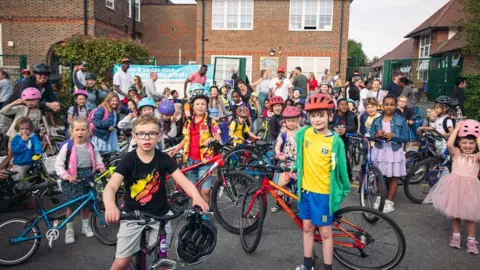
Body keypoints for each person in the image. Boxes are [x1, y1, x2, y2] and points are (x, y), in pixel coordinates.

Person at [103, 116, 209, 270]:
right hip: (133, 216)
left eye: (152, 133)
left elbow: (183, 181)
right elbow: (111, 186)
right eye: (141, 134)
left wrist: (197, 197)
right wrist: (110, 205)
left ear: (159, 135)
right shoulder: (128, 160)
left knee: (163, 263)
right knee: (121, 263)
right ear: (134, 137)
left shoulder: (163, 158)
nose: (147, 138)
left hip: (160, 216)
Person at [293, 94, 350, 270]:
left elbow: (342, 169)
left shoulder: (335, 141)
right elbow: (300, 156)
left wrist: (343, 189)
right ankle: (307, 264)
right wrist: (294, 168)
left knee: (325, 233)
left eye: (321, 115)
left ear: (330, 116)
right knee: (307, 228)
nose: (317, 119)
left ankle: (327, 267)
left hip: (324, 193)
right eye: (314, 115)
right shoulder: (304, 133)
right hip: (305, 191)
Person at [423, 119, 480, 254]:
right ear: (459, 143)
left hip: (471, 190)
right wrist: (456, 129)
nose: (468, 145)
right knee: (454, 213)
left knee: (470, 216)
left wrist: (478, 136)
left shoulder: (477, 157)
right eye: (464, 142)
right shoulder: (456, 154)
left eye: (471, 143)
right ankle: (456, 237)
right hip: (455, 188)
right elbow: (449, 144)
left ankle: (471, 241)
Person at [55, 117, 105, 244]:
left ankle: (85, 226)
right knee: (71, 206)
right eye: (77, 129)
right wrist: (67, 176)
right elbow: (58, 165)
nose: (80, 132)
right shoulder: (68, 146)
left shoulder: (91, 145)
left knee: (86, 204)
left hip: (88, 177)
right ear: (71, 131)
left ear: (88, 131)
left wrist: (100, 167)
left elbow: (97, 158)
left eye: (83, 129)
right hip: (72, 179)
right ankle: (69, 230)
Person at [169, 89, 222, 204]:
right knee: (194, 190)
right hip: (190, 161)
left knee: (205, 191)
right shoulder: (189, 122)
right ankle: (196, 213)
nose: (200, 106)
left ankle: (204, 213)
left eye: (203, 104)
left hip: (205, 162)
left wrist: (211, 139)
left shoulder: (211, 121)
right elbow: (185, 139)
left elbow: (218, 138)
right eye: (197, 104)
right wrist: (176, 149)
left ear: (207, 106)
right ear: (192, 106)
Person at [370, 95, 409, 213]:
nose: (389, 107)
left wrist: (394, 136)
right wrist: (377, 135)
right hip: (380, 150)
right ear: (382, 105)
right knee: (379, 175)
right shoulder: (376, 120)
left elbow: (406, 137)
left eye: (392, 104)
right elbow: (371, 135)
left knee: (393, 176)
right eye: (386, 104)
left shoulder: (400, 120)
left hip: (394, 151)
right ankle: (380, 197)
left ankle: (389, 201)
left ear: (395, 105)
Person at [271, 106, 301, 213]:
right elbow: (278, 145)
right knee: (281, 185)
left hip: (297, 162)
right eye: (289, 121)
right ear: (285, 121)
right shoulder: (283, 132)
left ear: (298, 120)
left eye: (294, 121)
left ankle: (300, 205)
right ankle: (278, 203)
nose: (291, 123)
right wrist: (278, 153)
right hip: (285, 162)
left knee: (298, 185)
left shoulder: (301, 132)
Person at [330, 98, 357, 181]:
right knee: (332, 156)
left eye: (346, 104)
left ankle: (348, 175)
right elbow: (327, 124)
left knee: (344, 157)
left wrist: (345, 129)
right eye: (341, 105)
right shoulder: (333, 114)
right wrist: (334, 128)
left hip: (345, 139)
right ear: (337, 106)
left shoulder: (351, 115)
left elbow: (354, 127)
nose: (344, 106)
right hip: (333, 138)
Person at [10, 117, 42, 183]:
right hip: (20, 163)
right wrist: (23, 141)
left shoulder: (33, 136)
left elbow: (37, 144)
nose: (24, 131)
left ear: (31, 129)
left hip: (31, 161)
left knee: (35, 175)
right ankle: (21, 190)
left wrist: (38, 152)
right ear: (18, 129)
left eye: (27, 129)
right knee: (19, 178)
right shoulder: (16, 138)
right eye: (22, 129)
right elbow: (15, 150)